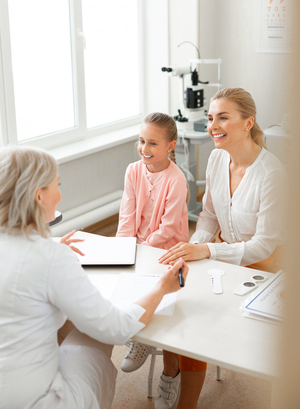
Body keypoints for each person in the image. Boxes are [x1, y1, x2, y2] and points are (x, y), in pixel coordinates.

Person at [0, 145, 189, 409]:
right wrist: (161, 288)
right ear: (39, 196)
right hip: (36, 402)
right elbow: (115, 328)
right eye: (57, 185)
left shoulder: (44, 252)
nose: (60, 194)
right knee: (98, 330)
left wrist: (52, 246)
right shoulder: (49, 257)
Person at [156, 88, 288, 409]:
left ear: (248, 123)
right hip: (223, 256)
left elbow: (261, 246)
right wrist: (193, 246)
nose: (213, 125)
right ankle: (170, 372)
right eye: (212, 117)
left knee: (202, 322)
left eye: (224, 117)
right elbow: (209, 217)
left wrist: (208, 253)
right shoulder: (216, 158)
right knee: (179, 297)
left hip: (264, 266)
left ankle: (186, 404)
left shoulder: (272, 174)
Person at [116, 113, 189, 386]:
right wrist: (124, 249)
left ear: (170, 146)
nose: (144, 149)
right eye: (141, 141)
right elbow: (126, 215)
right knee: (123, 284)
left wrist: (143, 251)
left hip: (166, 249)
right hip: (138, 245)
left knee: (154, 289)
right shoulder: (133, 171)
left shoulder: (176, 179)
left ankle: (144, 339)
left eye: (152, 144)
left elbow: (168, 229)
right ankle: (139, 334)